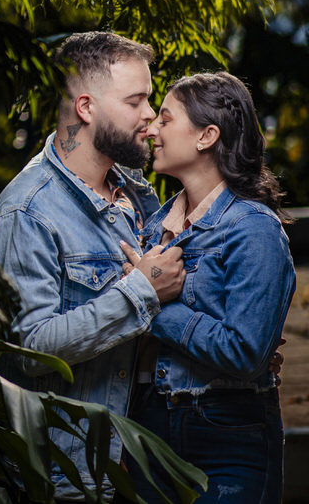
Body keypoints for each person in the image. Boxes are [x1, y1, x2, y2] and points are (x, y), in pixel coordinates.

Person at [0, 31, 186, 500]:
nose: (150, 114)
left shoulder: (132, 191)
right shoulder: (28, 212)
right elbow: (31, 348)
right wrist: (141, 292)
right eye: (135, 101)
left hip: (133, 463)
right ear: (86, 108)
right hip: (63, 477)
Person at [122, 72, 295, 503]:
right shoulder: (154, 228)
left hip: (227, 434)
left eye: (166, 119)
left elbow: (244, 352)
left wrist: (152, 303)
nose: (152, 129)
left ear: (206, 136)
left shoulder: (253, 229)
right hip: (147, 426)